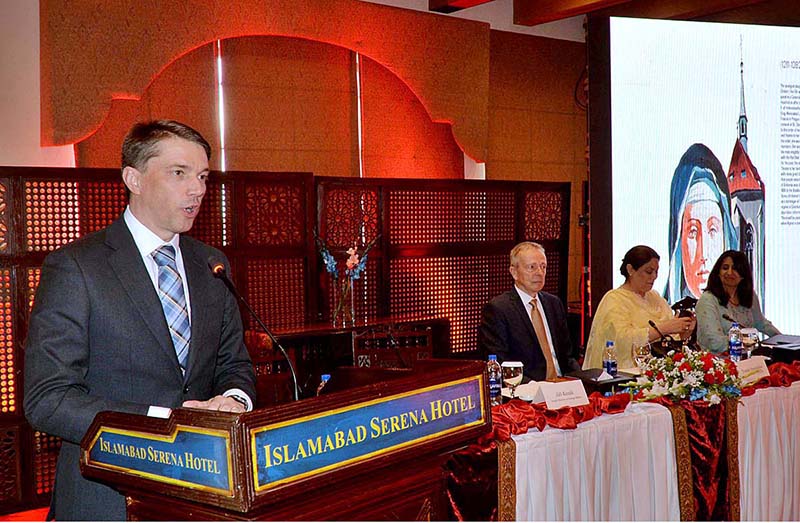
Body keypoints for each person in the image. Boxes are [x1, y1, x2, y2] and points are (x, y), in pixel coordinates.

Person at [23, 120, 257, 521]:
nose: (197, 189)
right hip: (107, 496)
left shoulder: (211, 264)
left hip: (201, 494)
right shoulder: (77, 267)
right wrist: (166, 422)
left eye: (202, 176)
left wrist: (235, 400)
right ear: (134, 178)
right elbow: (48, 400)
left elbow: (233, 365)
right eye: (179, 173)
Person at [478, 242, 579, 382]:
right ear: (514, 272)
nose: (539, 273)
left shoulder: (553, 303)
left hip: (563, 385)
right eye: (532, 267)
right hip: (528, 391)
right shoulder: (499, 309)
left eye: (543, 267)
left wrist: (580, 381)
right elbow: (501, 365)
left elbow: (567, 357)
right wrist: (538, 389)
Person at [584, 246, 695, 370]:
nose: (654, 277)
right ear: (630, 269)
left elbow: (671, 340)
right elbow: (620, 341)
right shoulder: (614, 299)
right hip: (626, 375)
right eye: (648, 271)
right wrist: (664, 328)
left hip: (660, 370)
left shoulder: (655, 297)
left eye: (656, 272)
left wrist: (685, 330)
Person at [665, 143, 738, 302]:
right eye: (692, 231)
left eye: (713, 230)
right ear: (678, 242)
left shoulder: (746, 309)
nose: (703, 253)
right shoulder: (661, 315)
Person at [696, 250, 780, 353]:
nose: (729, 272)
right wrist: (748, 341)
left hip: (748, 360)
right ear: (718, 272)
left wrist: (784, 340)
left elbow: (761, 323)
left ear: (743, 274)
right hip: (718, 363)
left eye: (735, 269)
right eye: (725, 268)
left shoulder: (750, 296)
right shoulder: (708, 300)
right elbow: (714, 342)